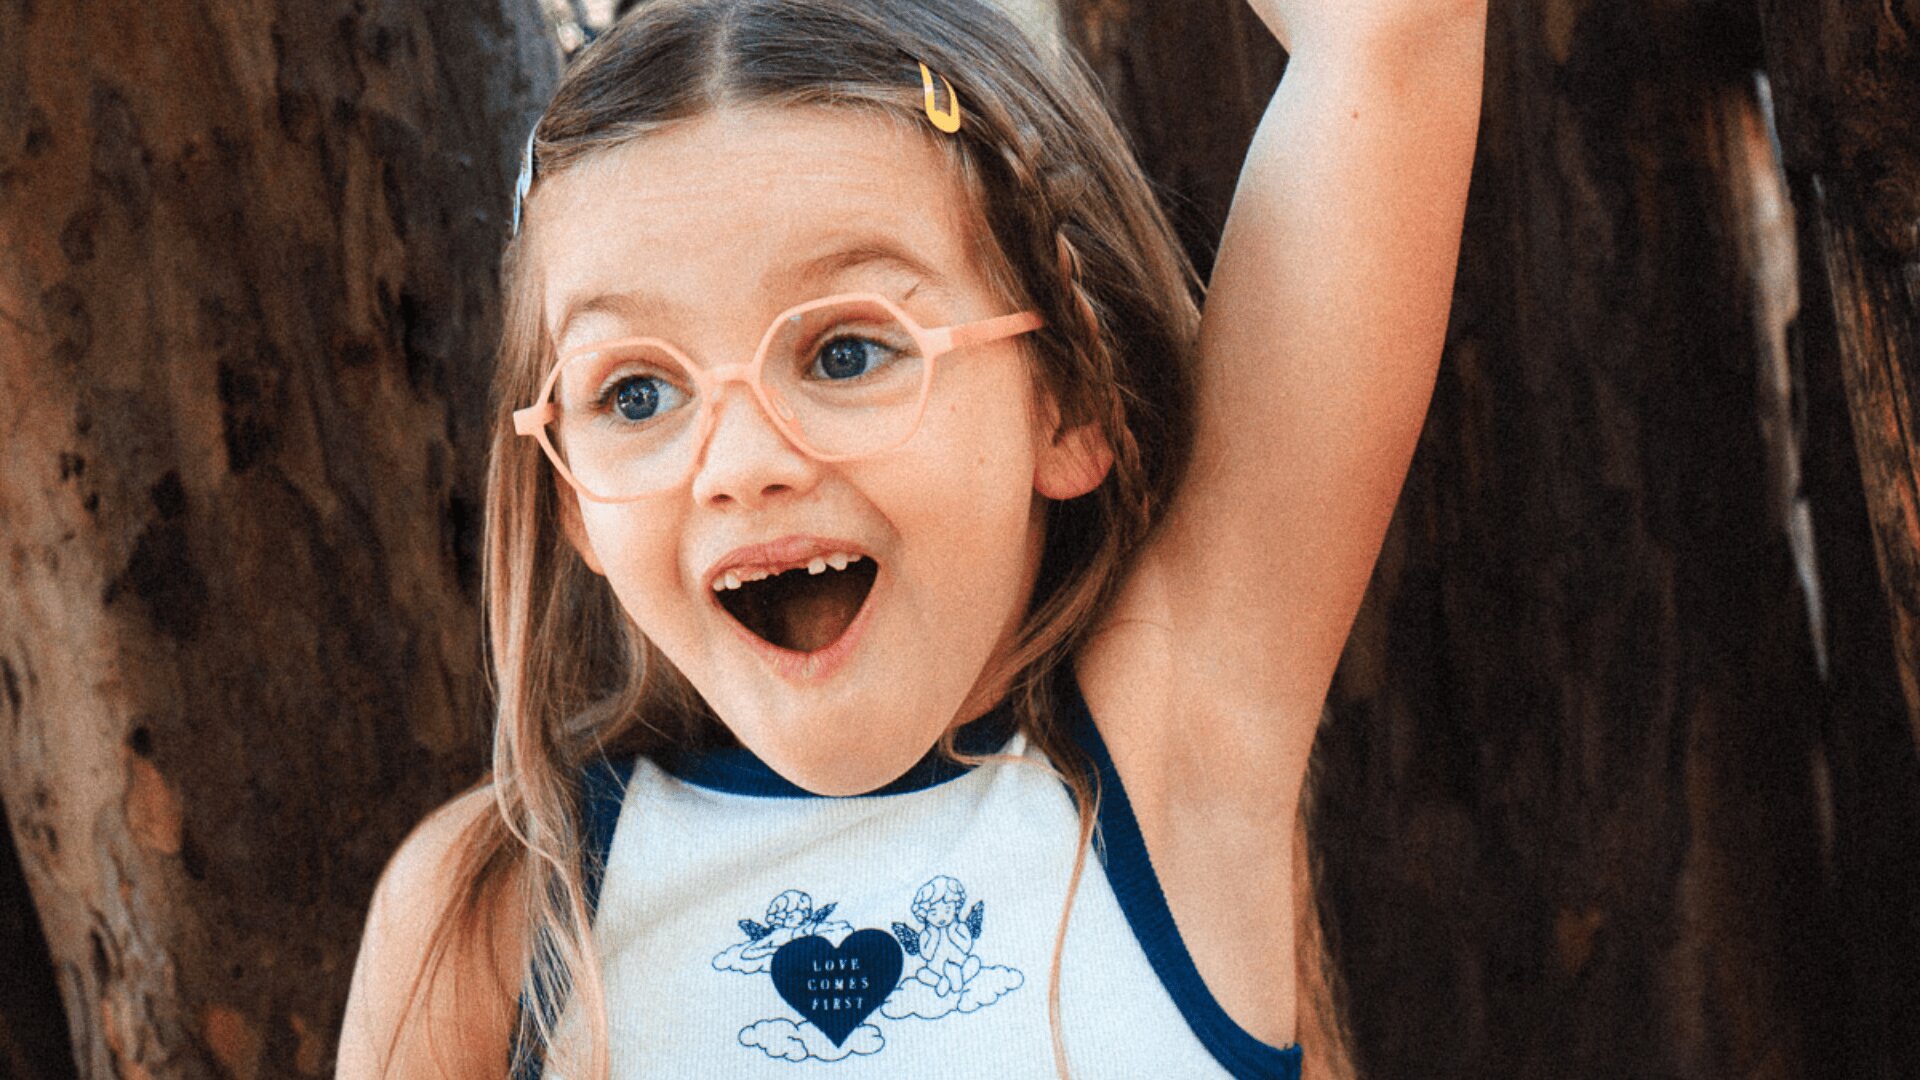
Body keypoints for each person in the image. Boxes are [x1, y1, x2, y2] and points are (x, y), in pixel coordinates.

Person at [335, 0, 1485, 1076]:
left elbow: (1394, 34)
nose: (741, 465)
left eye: (847, 352)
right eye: (635, 394)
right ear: (572, 494)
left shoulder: (1168, 765)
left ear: (1070, 401)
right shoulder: (496, 908)